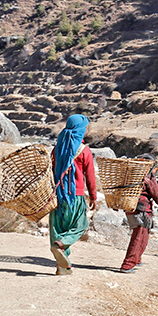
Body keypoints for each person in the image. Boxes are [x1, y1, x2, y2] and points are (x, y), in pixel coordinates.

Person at [49, 114, 98, 275]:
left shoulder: (57, 149)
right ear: (81, 130)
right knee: (80, 226)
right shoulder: (84, 151)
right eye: (86, 127)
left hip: (57, 195)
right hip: (75, 197)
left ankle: (62, 267)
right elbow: (90, 177)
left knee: (58, 229)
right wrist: (93, 197)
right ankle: (62, 244)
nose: (87, 129)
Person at [120, 154, 158, 273]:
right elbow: (157, 194)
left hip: (130, 207)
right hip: (142, 210)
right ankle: (127, 265)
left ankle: (137, 259)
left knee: (142, 235)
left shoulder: (132, 175)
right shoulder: (148, 177)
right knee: (139, 237)